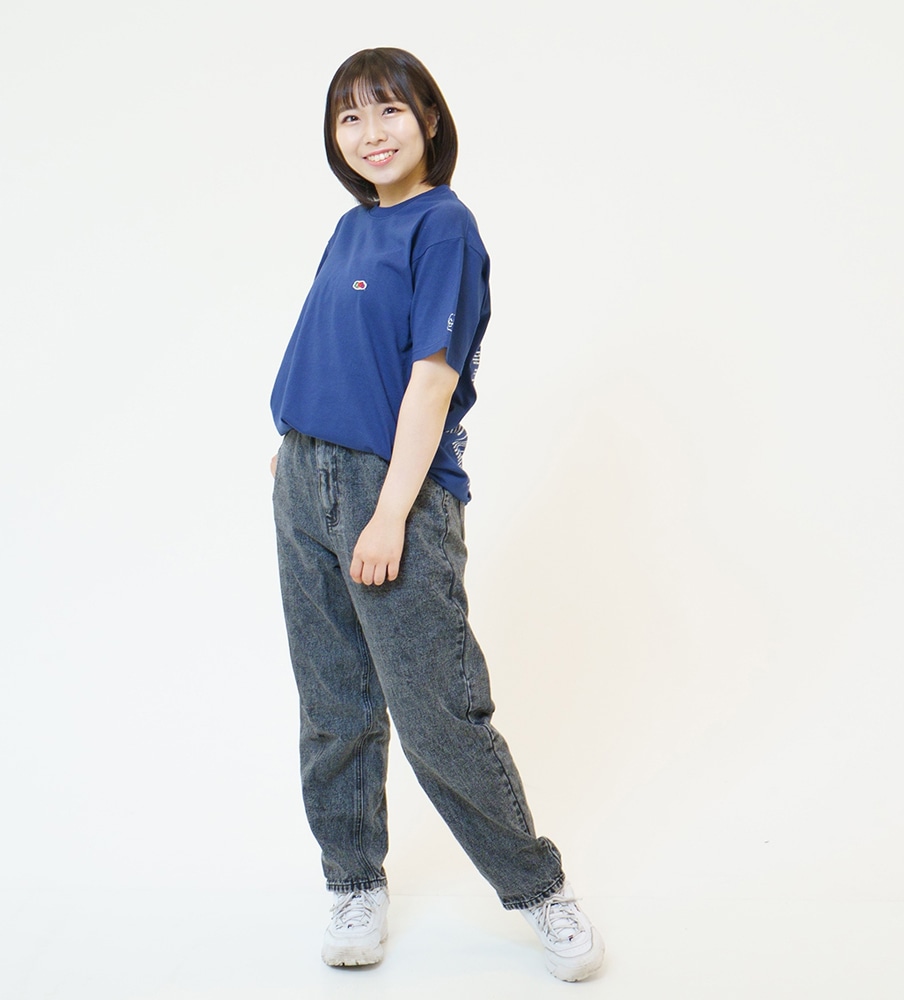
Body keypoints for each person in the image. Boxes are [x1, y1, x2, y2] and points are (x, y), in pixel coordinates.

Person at [269, 47, 604, 983]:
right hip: (305, 481)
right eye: (349, 117)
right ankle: (353, 882)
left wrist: (388, 514)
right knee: (333, 702)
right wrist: (293, 447)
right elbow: (330, 344)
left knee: (437, 715)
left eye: (388, 111)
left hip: (394, 491)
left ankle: (540, 891)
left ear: (429, 120)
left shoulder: (444, 225)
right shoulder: (350, 228)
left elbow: (431, 380)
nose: (369, 133)